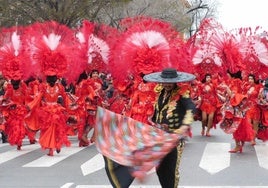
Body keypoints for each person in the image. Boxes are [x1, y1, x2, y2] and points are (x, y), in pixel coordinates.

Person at [103, 68, 196, 187]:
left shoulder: (183, 94)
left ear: (175, 81)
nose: (167, 84)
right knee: (159, 169)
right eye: (165, 81)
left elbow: (191, 109)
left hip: (174, 139)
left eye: (170, 82)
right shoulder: (160, 92)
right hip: (159, 137)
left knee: (170, 171)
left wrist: (184, 126)